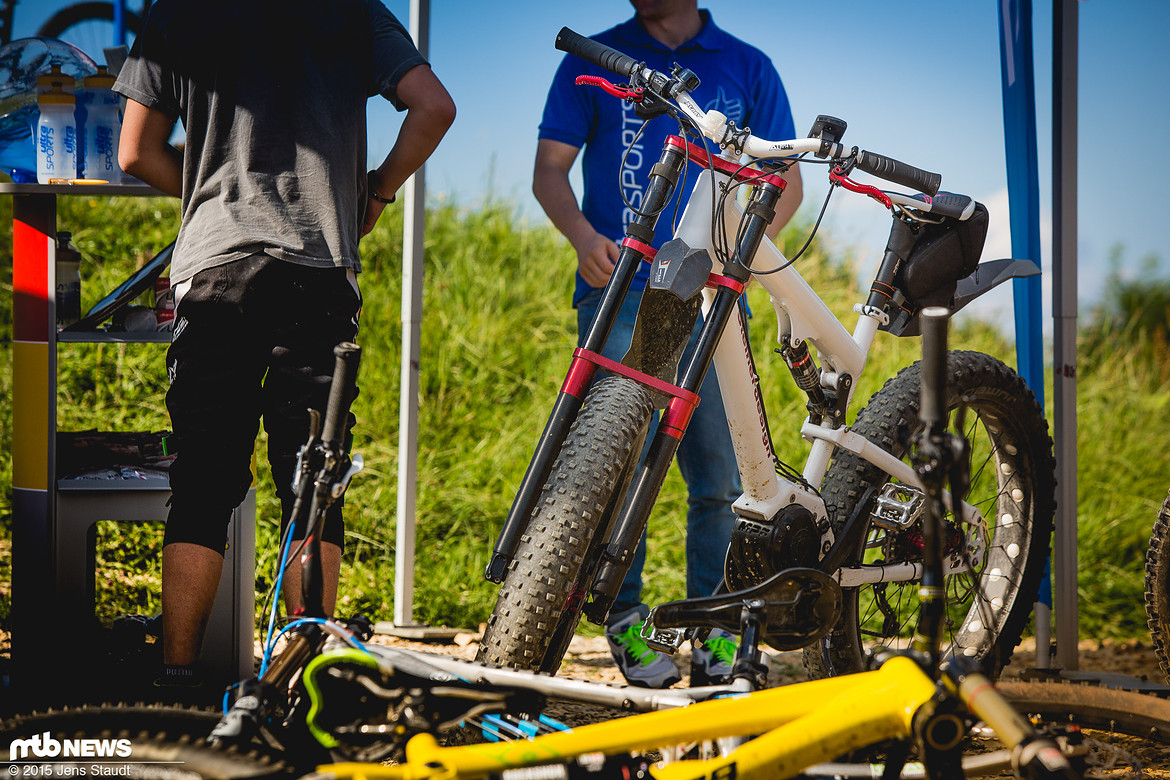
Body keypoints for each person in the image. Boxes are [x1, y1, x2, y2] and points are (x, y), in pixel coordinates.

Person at [114, 0, 455, 689]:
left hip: (216, 275)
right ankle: (305, 686)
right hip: (317, 273)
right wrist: (379, 191)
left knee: (203, 485)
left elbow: (135, 152)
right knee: (310, 485)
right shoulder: (354, 10)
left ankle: (176, 676)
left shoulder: (176, 11)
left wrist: (212, 200)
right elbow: (433, 107)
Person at [533, 0, 803, 688]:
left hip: (713, 293)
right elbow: (550, 170)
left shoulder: (748, 67)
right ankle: (628, 623)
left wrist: (735, 248)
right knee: (617, 468)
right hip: (622, 286)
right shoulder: (596, 56)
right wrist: (583, 239)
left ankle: (710, 634)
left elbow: (789, 182)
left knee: (717, 478)